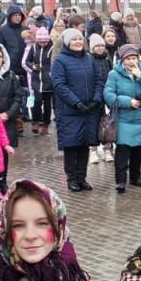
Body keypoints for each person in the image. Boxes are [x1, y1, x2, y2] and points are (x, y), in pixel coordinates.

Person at [52, 28, 106, 192]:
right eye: (74, 39)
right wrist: (76, 103)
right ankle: (72, 179)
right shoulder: (60, 61)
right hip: (70, 111)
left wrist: (96, 100)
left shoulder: (89, 59)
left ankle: (82, 178)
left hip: (89, 110)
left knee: (85, 145)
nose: (78, 42)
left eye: (80, 39)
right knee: (72, 145)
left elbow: (99, 80)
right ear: (68, 42)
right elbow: (60, 85)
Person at [104, 44, 141, 194]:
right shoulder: (114, 74)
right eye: (128, 58)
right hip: (124, 118)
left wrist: (140, 76)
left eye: (134, 58)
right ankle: (120, 181)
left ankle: (136, 177)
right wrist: (128, 102)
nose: (131, 61)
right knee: (123, 150)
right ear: (122, 59)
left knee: (138, 149)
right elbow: (108, 95)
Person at [89, 35, 115, 166]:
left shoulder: (107, 59)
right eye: (97, 46)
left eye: (102, 45)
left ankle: (107, 148)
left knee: (108, 123)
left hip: (107, 94)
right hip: (94, 96)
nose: (100, 48)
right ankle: (93, 150)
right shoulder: (88, 59)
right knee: (94, 123)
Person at [24, 28, 55, 135]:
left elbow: (55, 62)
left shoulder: (52, 48)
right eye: (40, 41)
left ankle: (45, 124)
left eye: (44, 41)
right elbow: (27, 61)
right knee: (36, 101)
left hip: (48, 80)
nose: (42, 44)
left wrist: (51, 72)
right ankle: (35, 121)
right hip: (36, 79)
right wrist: (33, 66)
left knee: (47, 104)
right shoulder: (33, 47)